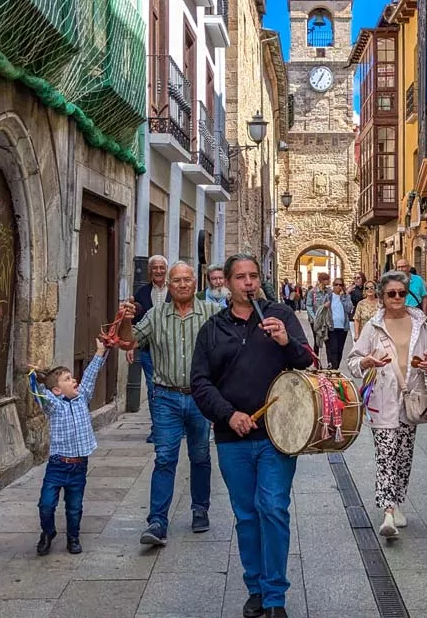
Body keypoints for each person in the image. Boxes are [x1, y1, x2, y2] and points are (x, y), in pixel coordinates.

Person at [191, 254, 313, 618]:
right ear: (226, 283)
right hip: (233, 438)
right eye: (241, 277)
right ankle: (255, 587)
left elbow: (307, 360)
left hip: (278, 435)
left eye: (254, 276)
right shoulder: (212, 330)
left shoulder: (280, 317)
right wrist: (230, 414)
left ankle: (275, 596)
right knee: (246, 515)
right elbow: (199, 383)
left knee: (273, 508)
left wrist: (284, 341)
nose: (248, 283)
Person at [117, 262, 221, 546]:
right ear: (169, 285)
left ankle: (200, 509)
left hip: (200, 397)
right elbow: (129, 342)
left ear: (195, 283)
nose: (183, 285)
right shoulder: (156, 315)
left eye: (188, 280)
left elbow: (230, 347)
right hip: (165, 397)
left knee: (200, 456)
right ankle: (157, 521)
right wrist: (126, 319)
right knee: (164, 458)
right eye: (177, 281)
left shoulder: (212, 314)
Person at [347, 271, 427, 539]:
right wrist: (366, 363)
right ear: (382, 297)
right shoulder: (373, 327)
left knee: (403, 456)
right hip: (382, 399)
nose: (396, 298)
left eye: (401, 293)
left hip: (412, 398)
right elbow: (353, 362)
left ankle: (397, 501)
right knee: (386, 455)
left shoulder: (420, 324)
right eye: (391, 294)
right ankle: (387, 512)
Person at [29, 338, 110, 556]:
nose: (74, 380)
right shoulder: (54, 406)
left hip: (79, 465)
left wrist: (100, 351)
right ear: (57, 390)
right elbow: (41, 397)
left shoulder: (82, 398)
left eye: (73, 377)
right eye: (68, 379)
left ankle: (73, 537)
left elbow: (91, 375)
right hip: (57, 465)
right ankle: (48, 532)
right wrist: (35, 378)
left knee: (74, 508)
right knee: (46, 504)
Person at [133, 255, 170, 442]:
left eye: (161, 267)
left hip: (170, 351)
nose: (158, 271)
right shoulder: (141, 293)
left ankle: (170, 427)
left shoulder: (174, 292)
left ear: (166, 270)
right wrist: (130, 347)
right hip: (148, 350)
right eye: (155, 268)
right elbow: (135, 323)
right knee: (153, 390)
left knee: (170, 389)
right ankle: (157, 430)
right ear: (150, 271)